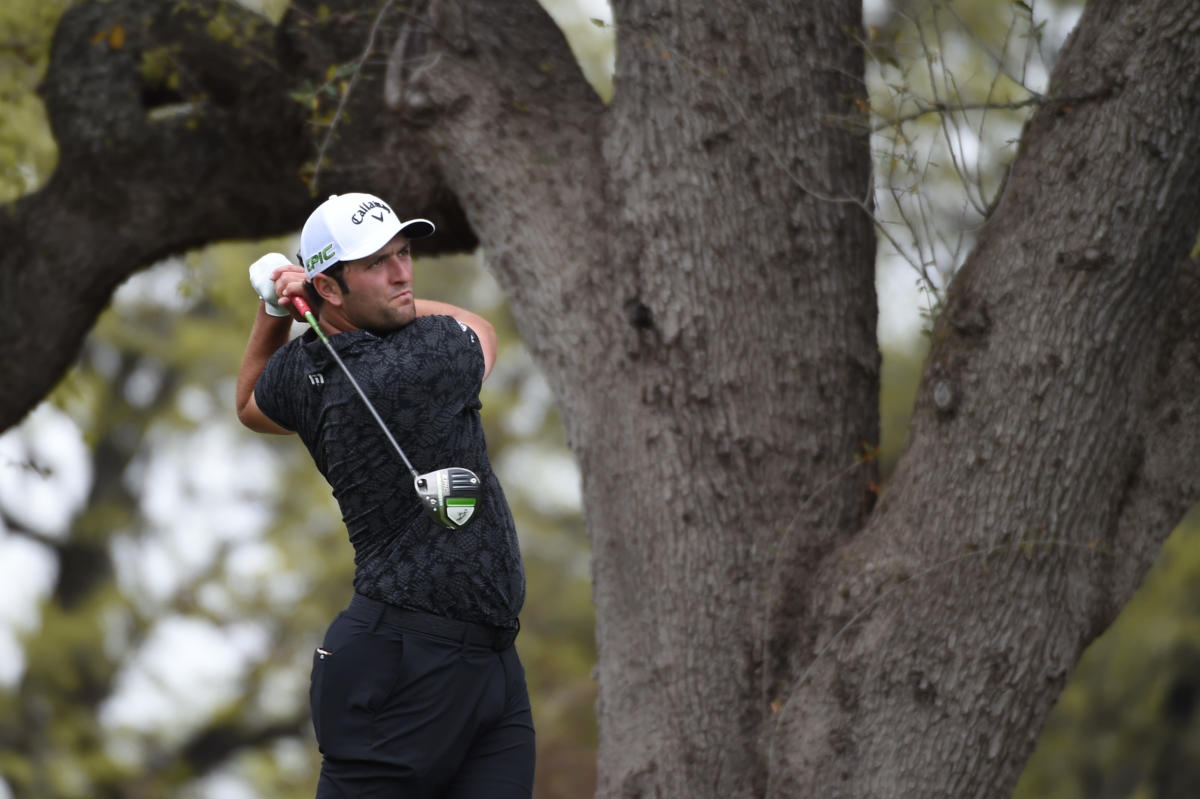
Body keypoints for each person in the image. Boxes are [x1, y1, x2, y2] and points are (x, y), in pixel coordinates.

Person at [235, 193, 533, 798]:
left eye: (403, 253)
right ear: (331, 289)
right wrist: (398, 306)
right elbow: (482, 328)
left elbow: (249, 405)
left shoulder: (302, 369)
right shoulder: (416, 365)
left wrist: (275, 308)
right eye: (376, 264)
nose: (402, 274)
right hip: (405, 669)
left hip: (489, 660)